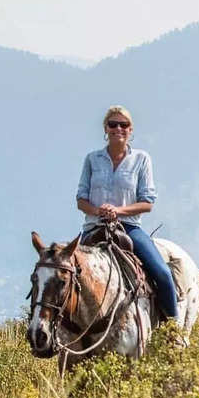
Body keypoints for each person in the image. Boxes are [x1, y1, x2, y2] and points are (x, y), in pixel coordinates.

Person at [76, 105, 178, 319]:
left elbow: (147, 202)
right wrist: (98, 210)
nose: (118, 129)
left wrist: (118, 211)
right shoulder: (92, 159)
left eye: (124, 125)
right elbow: (81, 200)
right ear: (106, 128)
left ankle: (172, 328)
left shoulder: (141, 159)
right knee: (68, 275)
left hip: (129, 227)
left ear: (130, 130)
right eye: (113, 124)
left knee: (162, 273)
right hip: (94, 226)